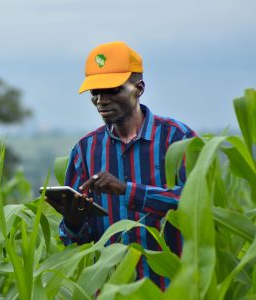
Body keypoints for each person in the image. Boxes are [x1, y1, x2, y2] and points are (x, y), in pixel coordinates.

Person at [46, 41, 196, 290]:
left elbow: (197, 203)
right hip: (109, 290)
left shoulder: (177, 139)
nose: (101, 100)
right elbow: (76, 243)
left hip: (172, 288)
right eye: (95, 92)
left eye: (112, 90)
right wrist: (73, 221)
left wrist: (127, 190)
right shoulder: (85, 150)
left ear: (139, 89)